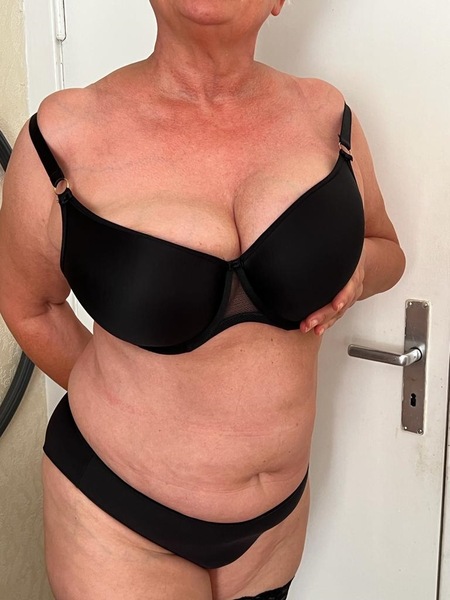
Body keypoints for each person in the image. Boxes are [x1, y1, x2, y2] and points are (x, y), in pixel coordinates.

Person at [0, 1, 405, 598]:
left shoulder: (327, 117)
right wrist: (125, 395)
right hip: (119, 522)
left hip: (274, 531)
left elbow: (387, 248)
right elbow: (29, 305)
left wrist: (360, 272)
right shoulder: (61, 138)